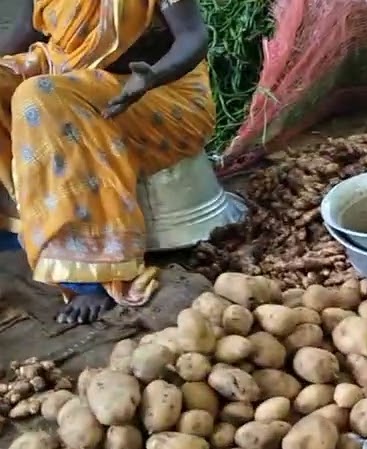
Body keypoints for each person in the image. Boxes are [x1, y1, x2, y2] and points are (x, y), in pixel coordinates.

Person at [0, 0, 214, 324]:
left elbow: (193, 36)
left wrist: (154, 76)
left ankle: (90, 272)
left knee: (39, 95)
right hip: (67, 73)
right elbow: (26, 30)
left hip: (153, 92)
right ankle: (20, 223)